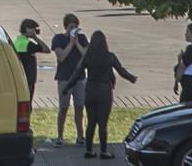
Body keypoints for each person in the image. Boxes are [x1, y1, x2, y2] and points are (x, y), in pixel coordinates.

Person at [76, 30, 137, 159]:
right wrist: (132, 78)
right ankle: (104, 151)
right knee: (102, 123)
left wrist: (67, 87)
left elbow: (77, 73)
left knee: (91, 122)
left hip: (90, 91)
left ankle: (89, 150)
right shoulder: (110, 57)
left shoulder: (88, 57)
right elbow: (121, 71)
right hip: (104, 92)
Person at [51, 14, 88, 148]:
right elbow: (61, 57)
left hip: (80, 78)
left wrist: (76, 42)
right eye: (71, 27)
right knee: (64, 108)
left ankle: (80, 136)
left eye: (76, 27)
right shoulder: (58, 39)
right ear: (66, 27)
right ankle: (60, 136)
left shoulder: (82, 38)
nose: (74, 29)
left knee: (79, 107)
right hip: (64, 78)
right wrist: (70, 43)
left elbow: (85, 55)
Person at [12, 18, 44, 96]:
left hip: (18, 78)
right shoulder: (28, 44)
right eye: (34, 29)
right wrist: (35, 38)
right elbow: (46, 49)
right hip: (28, 79)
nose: (35, 32)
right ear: (28, 29)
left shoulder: (16, 42)